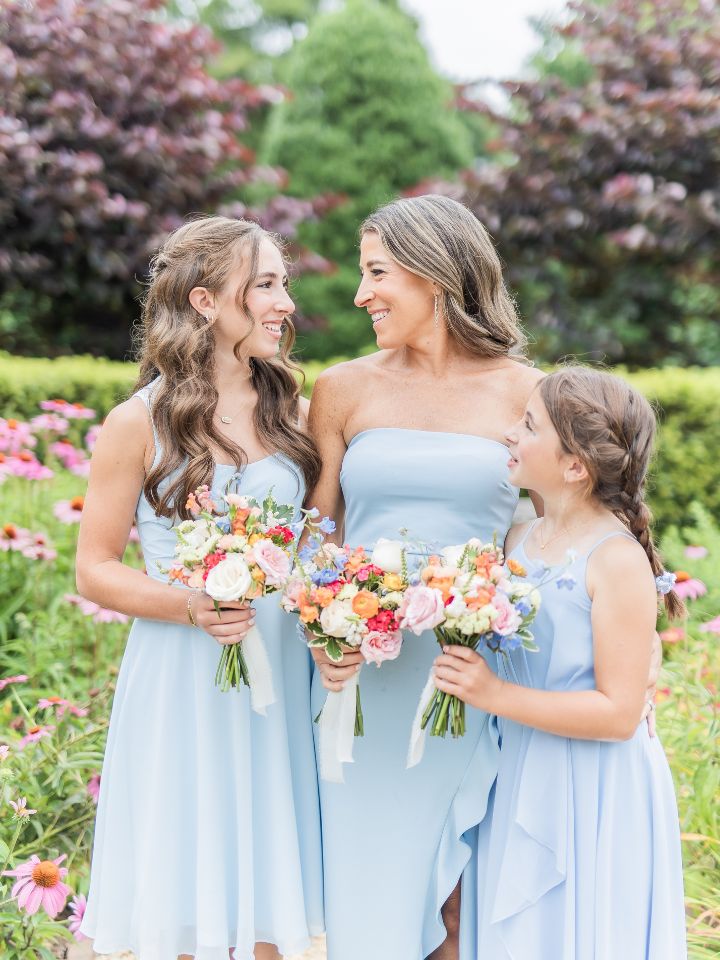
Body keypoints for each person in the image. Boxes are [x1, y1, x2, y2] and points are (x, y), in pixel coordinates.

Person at [76, 216, 324, 960]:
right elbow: (95, 567)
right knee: (182, 885)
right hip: (181, 676)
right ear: (208, 301)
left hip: (278, 671)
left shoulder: (297, 416)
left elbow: (315, 543)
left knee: (270, 903)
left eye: (285, 284)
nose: (285, 303)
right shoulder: (137, 422)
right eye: (267, 285)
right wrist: (191, 604)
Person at [306, 194, 543, 960]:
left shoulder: (526, 393)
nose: (360, 294)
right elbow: (321, 533)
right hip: (359, 682)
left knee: (457, 887)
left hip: (470, 674)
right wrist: (319, 628)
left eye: (377, 273)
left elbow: (556, 534)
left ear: (434, 276)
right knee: (362, 884)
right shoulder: (343, 388)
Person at [434, 367, 687, 959]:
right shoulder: (516, 539)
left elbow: (620, 713)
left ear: (575, 466)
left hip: (592, 782)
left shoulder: (615, 559)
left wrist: (491, 693)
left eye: (527, 425)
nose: (508, 433)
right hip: (517, 764)